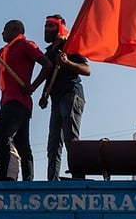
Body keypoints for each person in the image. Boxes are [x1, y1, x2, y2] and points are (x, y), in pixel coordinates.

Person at [0, 19, 53, 181]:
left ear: (15, 29)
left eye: (5, 29)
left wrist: (33, 86)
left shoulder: (26, 45)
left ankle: (5, 177)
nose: (2, 32)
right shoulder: (5, 50)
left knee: (3, 138)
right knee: (22, 143)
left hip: (18, 102)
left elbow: (47, 65)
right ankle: (28, 179)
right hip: (8, 101)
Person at [39, 14, 91, 181]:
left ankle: (78, 175)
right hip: (56, 98)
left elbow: (86, 70)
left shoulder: (70, 45)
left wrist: (67, 63)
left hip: (71, 94)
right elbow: (48, 76)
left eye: (50, 26)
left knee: (70, 137)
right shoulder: (49, 52)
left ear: (60, 27)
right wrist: (44, 95)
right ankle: (52, 180)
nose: (46, 29)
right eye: (45, 26)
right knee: (53, 142)